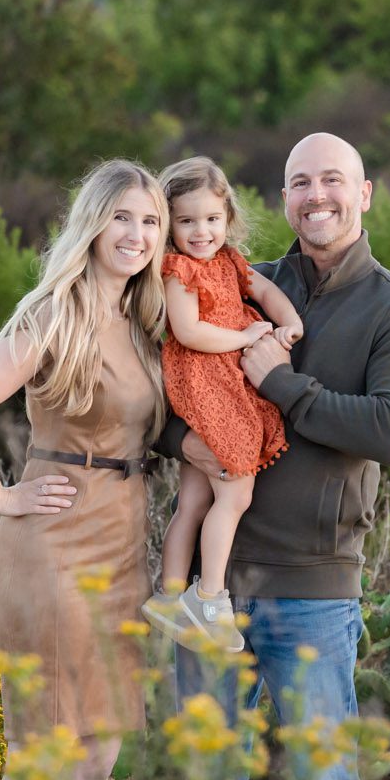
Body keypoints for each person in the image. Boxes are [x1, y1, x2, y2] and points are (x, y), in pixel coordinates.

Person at [160, 132, 390, 780]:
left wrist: (277, 383)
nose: (316, 196)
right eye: (299, 183)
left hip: (314, 590)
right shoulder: (238, 280)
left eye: (332, 181)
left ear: (364, 193)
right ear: (282, 200)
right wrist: (188, 444)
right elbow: (172, 387)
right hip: (212, 593)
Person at [0, 159, 168, 780]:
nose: (136, 233)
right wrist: (2, 495)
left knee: (101, 745)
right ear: (93, 224)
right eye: (122, 217)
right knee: (44, 749)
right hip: (54, 545)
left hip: (122, 546)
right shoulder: (54, 315)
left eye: (150, 221)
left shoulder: (143, 323)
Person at [141, 156, 303, 655]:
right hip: (207, 384)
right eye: (186, 221)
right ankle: (209, 598)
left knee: (194, 500)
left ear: (227, 217)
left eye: (211, 219)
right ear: (170, 225)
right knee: (235, 495)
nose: (201, 231)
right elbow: (187, 331)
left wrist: (289, 321)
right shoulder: (177, 268)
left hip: (224, 384)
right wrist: (246, 334)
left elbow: (266, 289)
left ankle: (169, 597)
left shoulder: (230, 261)